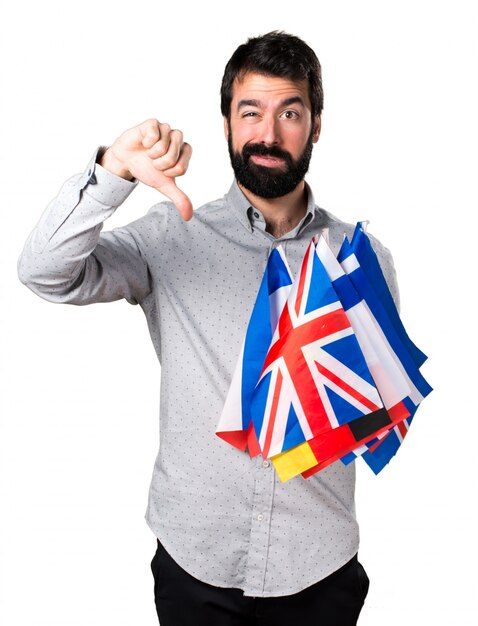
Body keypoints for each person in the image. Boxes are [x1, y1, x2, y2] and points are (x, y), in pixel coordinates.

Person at [18, 31, 399, 626]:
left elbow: (377, 406)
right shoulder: (172, 235)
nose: (268, 135)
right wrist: (112, 171)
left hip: (319, 566)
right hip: (195, 566)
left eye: (289, 113)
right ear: (226, 123)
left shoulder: (360, 256)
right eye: (251, 112)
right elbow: (43, 273)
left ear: (316, 125)